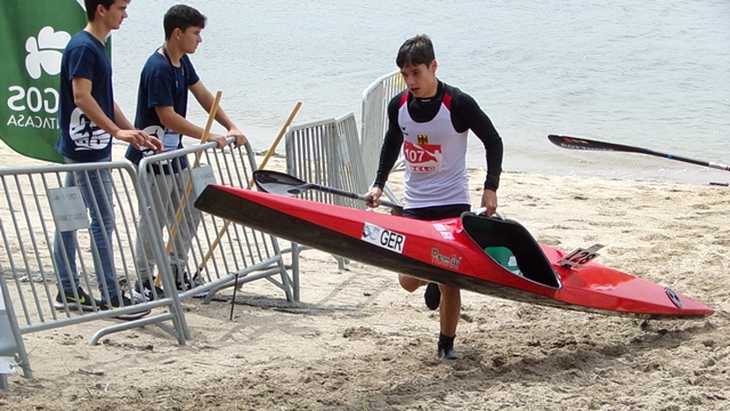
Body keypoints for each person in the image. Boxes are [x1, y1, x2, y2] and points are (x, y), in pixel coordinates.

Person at [365, 34, 503, 360]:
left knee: (450, 278)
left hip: (453, 203)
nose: (411, 80)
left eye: (417, 72)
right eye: (405, 74)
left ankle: (446, 345)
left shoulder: (458, 104)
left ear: (434, 67)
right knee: (408, 281)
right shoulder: (398, 106)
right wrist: (378, 184)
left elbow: (493, 141)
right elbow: (391, 144)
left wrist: (490, 187)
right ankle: (432, 277)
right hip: (415, 204)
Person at [125, 4, 247, 299]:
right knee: (153, 218)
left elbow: (204, 96)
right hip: (151, 158)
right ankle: (144, 278)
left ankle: (175, 269)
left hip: (174, 155)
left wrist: (231, 126)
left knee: (191, 210)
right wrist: (208, 135)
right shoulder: (158, 68)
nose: (199, 40)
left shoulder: (182, 62)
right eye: (195, 33)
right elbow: (167, 116)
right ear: (177, 33)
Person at [52, 0, 161, 314]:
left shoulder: (99, 45)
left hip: (89, 145)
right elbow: (82, 96)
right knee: (103, 220)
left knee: (71, 219)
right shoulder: (84, 47)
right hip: (84, 147)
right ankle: (111, 295)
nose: (125, 14)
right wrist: (116, 132)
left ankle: (68, 289)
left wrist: (133, 132)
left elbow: (104, 99)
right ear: (101, 9)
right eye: (121, 7)